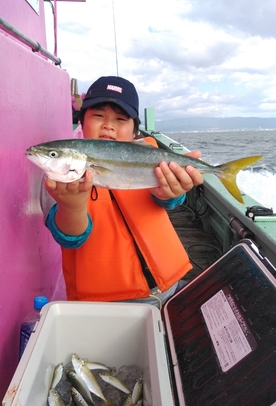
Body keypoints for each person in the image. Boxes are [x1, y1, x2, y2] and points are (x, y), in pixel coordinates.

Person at [44, 76, 203, 308]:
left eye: (120, 119)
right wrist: (72, 206)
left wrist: (172, 193)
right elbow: (70, 238)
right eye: (98, 115)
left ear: (134, 132)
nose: (108, 125)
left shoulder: (150, 157)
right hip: (104, 304)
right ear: (82, 121)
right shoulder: (61, 176)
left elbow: (168, 202)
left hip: (170, 289)